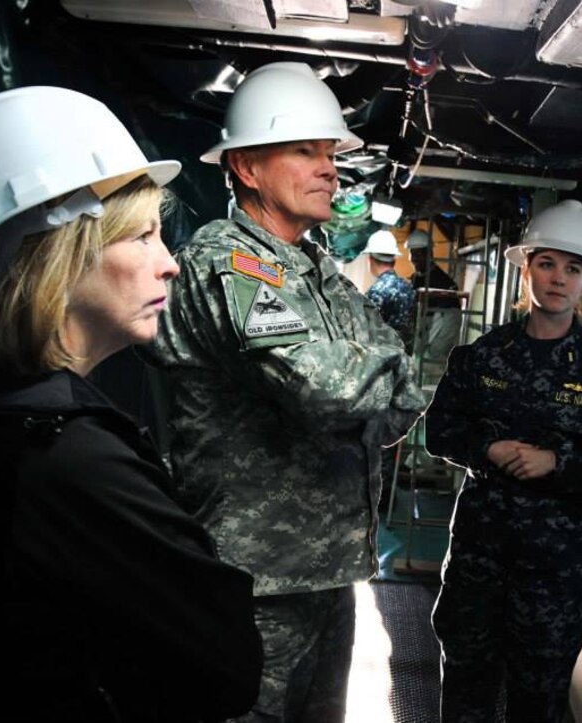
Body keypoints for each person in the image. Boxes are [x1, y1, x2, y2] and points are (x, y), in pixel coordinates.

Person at [0, 86, 262, 721]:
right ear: (60, 255)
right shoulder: (70, 459)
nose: (169, 264)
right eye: (143, 236)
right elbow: (227, 669)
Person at [148, 61, 426, 723]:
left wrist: (376, 373)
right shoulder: (225, 258)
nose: (330, 168)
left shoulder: (315, 268)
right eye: (306, 150)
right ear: (245, 166)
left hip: (327, 573)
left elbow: (402, 400)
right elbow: (325, 391)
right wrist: (377, 369)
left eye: (331, 152)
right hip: (252, 583)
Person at [425, 199, 582, 722]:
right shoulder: (482, 357)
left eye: (574, 268)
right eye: (547, 263)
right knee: (465, 688)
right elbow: (441, 431)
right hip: (480, 555)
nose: (559, 279)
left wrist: (559, 464)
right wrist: (487, 449)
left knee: (541, 699)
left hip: (553, 570)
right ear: (527, 269)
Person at [406, 228, 462, 381]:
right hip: (420, 340)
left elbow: (452, 320)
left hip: (434, 346)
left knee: (430, 380)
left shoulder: (443, 283)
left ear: (429, 253)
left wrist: (434, 351)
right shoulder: (415, 279)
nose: (414, 258)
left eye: (419, 254)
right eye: (412, 253)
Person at [362, 228, 415, 346]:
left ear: (370, 259)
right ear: (394, 261)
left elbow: (364, 329)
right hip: (404, 356)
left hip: (383, 356)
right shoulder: (408, 288)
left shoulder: (376, 292)